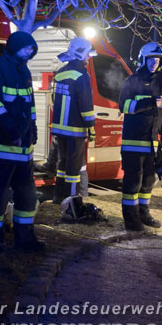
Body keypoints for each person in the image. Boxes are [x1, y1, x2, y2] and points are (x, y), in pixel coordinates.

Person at [0, 31, 44, 251]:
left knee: (27, 195)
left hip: (23, 149)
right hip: (0, 148)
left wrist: (32, 128)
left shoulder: (23, 69)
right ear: (15, 46)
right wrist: (12, 129)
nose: (30, 52)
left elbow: (29, 104)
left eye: (32, 50)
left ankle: (25, 239)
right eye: (27, 48)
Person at [118, 42, 162, 231]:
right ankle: (131, 220)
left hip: (152, 143)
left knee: (149, 180)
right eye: (151, 60)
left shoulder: (159, 83)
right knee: (133, 182)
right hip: (133, 142)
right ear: (143, 60)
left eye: (158, 60)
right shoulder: (131, 81)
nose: (155, 63)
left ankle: (144, 213)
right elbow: (123, 106)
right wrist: (150, 102)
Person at [50, 37, 97, 220]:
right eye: (87, 55)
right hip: (76, 130)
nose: (89, 59)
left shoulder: (61, 73)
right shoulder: (82, 76)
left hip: (60, 130)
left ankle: (58, 197)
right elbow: (86, 106)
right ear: (81, 55)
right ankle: (71, 205)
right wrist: (91, 127)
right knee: (73, 169)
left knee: (62, 165)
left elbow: (56, 100)